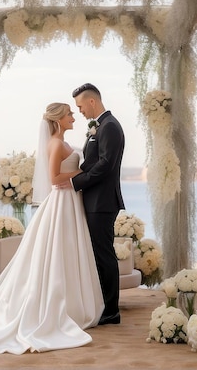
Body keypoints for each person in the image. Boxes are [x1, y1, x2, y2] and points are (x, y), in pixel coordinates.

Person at [0, 103, 104, 354]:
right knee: (59, 250)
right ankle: (58, 308)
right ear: (58, 119)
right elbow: (55, 178)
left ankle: (74, 305)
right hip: (61, 201)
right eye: (69, 114)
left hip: (71, 202)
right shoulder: (55, 144)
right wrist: (83, 173)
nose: (73, 118)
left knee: (70, 250)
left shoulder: (62, 142)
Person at [70, 83, 125, 326]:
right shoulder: (100, 126)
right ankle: (102, 305)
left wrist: (75, 182)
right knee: (98, 255)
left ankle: (111, 311)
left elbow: (106, 166)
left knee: (104, 256)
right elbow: (93, 162)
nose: (80, 111)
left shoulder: (110, 127)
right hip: (95, 200)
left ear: (92, 101)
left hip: (102, 202)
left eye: (80, 106)